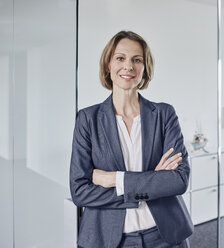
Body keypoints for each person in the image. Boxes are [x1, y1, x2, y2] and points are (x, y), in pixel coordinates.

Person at [69, 30, 194, 248]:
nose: (128, 66)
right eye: (120, 58)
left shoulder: (164, 114)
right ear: (108, 65)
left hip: (165, 237)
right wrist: (152, 182)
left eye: (137, 60)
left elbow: (179, 180)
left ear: (145, 68)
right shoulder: (87, 119)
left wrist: (114, 180)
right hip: (109, 240)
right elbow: (80, 191)